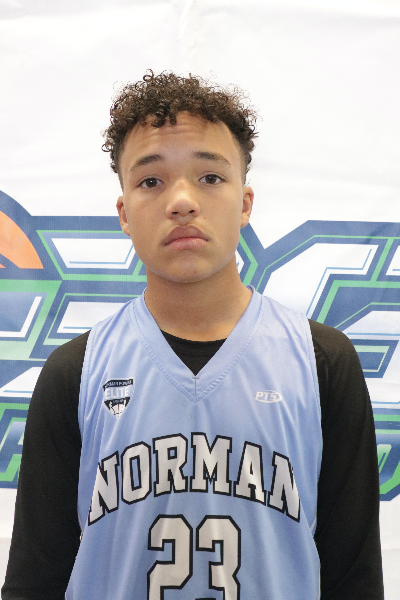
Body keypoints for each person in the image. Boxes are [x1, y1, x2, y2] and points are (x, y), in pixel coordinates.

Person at [2, 71, 384, 600]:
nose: (182, 201)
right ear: (124, 214)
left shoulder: (322, 362)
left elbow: (354, 578)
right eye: (151, 181)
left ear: (245, 203)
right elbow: (34, 580)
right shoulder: (77, 370)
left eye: (209, 177)